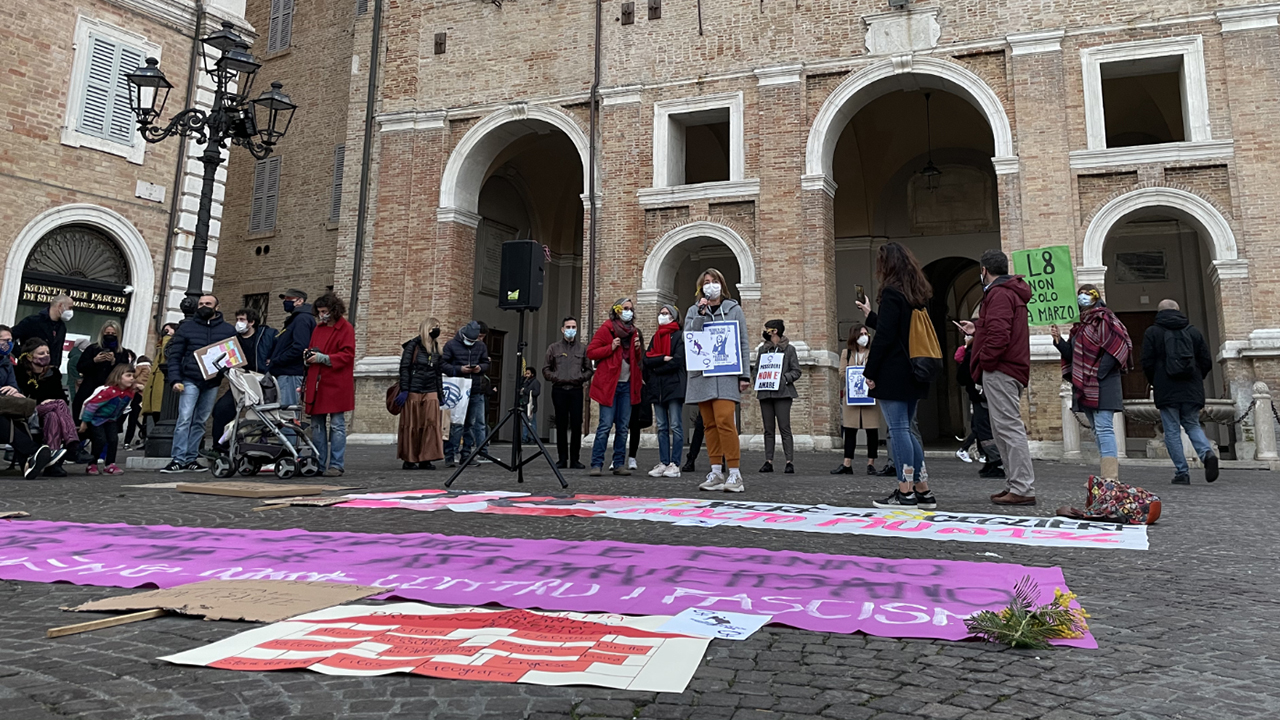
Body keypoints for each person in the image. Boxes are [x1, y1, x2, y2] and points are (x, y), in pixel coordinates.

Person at [956, 249, 1036, 506]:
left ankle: (1022, 487)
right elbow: (998, 328)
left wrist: (985, 362)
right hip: (1007, 367)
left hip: (1002, 369)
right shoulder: (1009, 293)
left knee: (1009, 428)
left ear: (984, 270)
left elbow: (1000, 335)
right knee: (1002, 429)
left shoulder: (999, 294)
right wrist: (977, 328)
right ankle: (1015, 484)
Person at [861, 242, 937, 509]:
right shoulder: (916, 293)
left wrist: (869, 371)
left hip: (894, 371)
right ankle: (923, 489)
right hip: (915, 370)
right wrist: (870, 316)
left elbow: (886, 336)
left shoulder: (892, 293)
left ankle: (904, 490)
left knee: (899, 430)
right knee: (908, 430)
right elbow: (896, 327)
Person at [1052, 284, 1133, 483]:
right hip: (1085, 384)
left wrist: (1097, 372)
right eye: (1080, 295)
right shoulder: (1079, 326)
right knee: (1097, 429)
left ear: (1096, 297)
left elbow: (1118, 347)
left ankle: (1110, 478)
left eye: (1086, 295)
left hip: (1103, 382)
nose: (1083, 299)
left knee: (1104, 428)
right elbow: (1073, 355)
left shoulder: (1106, 318)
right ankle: (1106, 474)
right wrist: (1058, 341)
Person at [684, 270, 751, 493]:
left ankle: (734, 473)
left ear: (722, 285)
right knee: (708, 424)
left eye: (714, 282)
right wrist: (701, 313)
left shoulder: (734, 310)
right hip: (702, 374)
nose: (710, 286)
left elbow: (743, 342)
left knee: (725, 421)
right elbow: (690, 337)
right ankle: (715, 471)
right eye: (706, 283)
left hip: (726, 373)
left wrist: (744, 375)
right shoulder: (694, 311)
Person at [1141, 299, 1218, 485]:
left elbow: (1147, 362)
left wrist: (1155, 381)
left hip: (1166, 389)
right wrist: (1196, 378)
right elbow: (1206, 361)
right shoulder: (1193, 332)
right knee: (1192, 424)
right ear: (1178, 310)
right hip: (1191, 388)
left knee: (1172, 430)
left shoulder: (1153, 332)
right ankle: (1206, 453)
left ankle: (1182, 472)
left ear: (1159, 313)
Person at [161, 295, 236, 474]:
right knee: (185, 418)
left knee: (200, 421)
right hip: (189, 378)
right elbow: (175, 355)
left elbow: (232, 357)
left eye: (207, 304)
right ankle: (178, 459)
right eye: (201, 304)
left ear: (217, 306)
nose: (203, 306)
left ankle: (191, 458)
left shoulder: (227, 330)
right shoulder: (187, 327)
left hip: (212, 382)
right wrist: (175, 379)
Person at [586, 299, 644, 476]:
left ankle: (619, 463)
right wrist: (610, 348)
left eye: (631, 309)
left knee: (623, 426)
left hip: (626, 385)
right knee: (604, 426)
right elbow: (591, 352)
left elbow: (638, 361)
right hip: (609, 386)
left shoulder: (634, 332)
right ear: (617, 311)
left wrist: (638, 350)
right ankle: (596, 464)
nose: (629, 312)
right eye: (625, 309)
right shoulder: (607, 329)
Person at [211, 308, 278, 453]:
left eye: (242, 320)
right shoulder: (233, 339)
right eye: (237, 320)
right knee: (221, 410)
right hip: (239, 382)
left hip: (260, 382)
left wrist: (271, 361)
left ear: (251, 322)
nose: (238, 323)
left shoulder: (266, 336)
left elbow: (278, 349)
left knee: (264, 416)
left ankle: (262, 445)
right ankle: (219, 447)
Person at [303, 294, 356, 477]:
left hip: (336, 383)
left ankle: (336, 464)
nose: (322, 315)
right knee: (317, 426)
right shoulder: (318, 329)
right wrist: (309, 356)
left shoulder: (346, 329)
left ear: (333, 310)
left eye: (324, 312)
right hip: (317, 381)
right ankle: (318, 462)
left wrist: (324, 358)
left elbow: (347, 355)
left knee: (337, 425)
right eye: (319, 312)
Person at [0, 327, 59, 480]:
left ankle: (29, 463)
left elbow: (13, 386)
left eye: (10, 340)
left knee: (18, 420)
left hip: (5, 405)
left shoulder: (6, 363)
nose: (9, 343)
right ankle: (34, 453)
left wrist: (14, 391)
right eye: (5, 340)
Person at [16, 338, 79, 476]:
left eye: (47, 352)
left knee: (53, 416)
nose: (46, 356)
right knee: (59, 404)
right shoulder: (20, 372)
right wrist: (45, 401)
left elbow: (60, 396)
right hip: (30, 410)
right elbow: (29, 394)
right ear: (29, 356)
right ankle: (73, 444)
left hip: (50, 411)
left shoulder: (53, 373)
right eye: (41, 353)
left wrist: (50, 401)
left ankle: (52, 463)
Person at [395, 318, 445, 470]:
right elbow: (404, 368)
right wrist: (405, 389)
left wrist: (440, 394)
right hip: (413, 390)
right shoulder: (413, 345)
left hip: (431, 389)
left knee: (430, 424)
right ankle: (409, 459)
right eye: (435, 327)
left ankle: (426, 458)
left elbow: (438, 373)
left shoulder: (436, 347)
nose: (438, 330)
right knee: (412, 424)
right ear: (428, 328)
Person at [643, 304, 686, 478]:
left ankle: (675, 463)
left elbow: (677, 360)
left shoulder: (679, 336)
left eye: (666, 313)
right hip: (657, 388)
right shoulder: (656, 337)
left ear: (674, 317)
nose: (662, 316)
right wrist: (662, 359)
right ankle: (663, 461)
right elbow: (647, 359)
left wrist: (657, 367)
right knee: (661, 427)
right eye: (661, 313)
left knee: (675, 425)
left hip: (674, 386)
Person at [543, 317, 592, 469]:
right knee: (561, 424)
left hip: (576, 390)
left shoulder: (582, 349)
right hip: (559, 390)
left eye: (574, 326)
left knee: (577, 424)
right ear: (563, 329)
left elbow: (589, 369)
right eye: (568, 326)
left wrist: (580, 378)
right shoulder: (554, 348)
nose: (571, 329)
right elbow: (546, 368)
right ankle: (562, 459)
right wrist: (556, 377)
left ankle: (575, 459)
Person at [833, 324, 880, 475]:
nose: (865, 337)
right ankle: (847, 464)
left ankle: (871, 463)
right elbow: (841, 373)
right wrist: (853, 377)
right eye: (861, 334)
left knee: (872, 431)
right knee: (850, 430)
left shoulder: (873, 353)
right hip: (852, 397)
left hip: (869, 397)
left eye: (866, 334)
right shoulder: (846, 354)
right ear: (854, 336)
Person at [441, 321, 491, 467]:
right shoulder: (451, 345)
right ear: (463, 335)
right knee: (456, 423)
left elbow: (486, 363)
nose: (472, 343)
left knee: (471, 424)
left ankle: (467, 455)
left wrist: (480, 368)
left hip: (475, 389)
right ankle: (451, 454)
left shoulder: (481, 346)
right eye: (469, 340)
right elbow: (443, 364)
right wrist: (459, 369)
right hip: (458, 388)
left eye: (474, 341)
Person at [756, 319, 801, 474]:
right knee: (768, 429)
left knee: (784, 427)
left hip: (783, 394)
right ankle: (768, 460)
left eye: (768, 329)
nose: (766, 332)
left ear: (775, 331)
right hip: (765, 392)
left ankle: (789, 461)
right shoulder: (763, 350)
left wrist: (784, 378)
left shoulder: (789, 350)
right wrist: (759, 378)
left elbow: (796, 371)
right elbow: (757, 369)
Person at [955, 334, 1003, 478]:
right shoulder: (986, 351)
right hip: (988, 395)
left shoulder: (973, 354)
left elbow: (962, 377)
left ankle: (996, 462)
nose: (965, 338)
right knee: (981, 428)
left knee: (984, 429)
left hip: (980, 396)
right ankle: (990, 461)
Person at [79, 364, 139, 475]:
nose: (132, 378)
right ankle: (92, 463)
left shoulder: (128, 392)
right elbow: (91, 406)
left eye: (133, 376)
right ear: (118, 377)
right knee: (100, 440)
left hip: (110, 419)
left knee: (113, 440)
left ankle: (110, 464)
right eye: (128, 375)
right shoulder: (108, 391)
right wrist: (85, 421)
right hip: (96, 419)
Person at [73, 320, 134, 419]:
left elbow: (125, 371)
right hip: (89, 388)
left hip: (111, 389)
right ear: (102, 333)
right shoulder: (92, 349)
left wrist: (114, 362)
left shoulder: (122, 353)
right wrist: (94, 360)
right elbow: (80, 367)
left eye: (113, 334)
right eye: (107, 333)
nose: (110, 335)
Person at [269, 289, 316, 416]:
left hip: (291, 374)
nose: (285, 302)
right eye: (285, 299)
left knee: (287, 415)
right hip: (288, 373)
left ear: (300, 301)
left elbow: (300, 347)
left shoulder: (301, 319)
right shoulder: (296, 319)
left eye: (289, 299)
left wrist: (277, 360)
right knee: (287, 414)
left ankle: (288, 436)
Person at [139, 323, 177, 442]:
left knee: (160, 414)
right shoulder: (158, 348)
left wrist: (168, 338)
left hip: (164, 388)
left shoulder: (169, 344)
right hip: (155, 388)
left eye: (168, 331)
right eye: (164, 331)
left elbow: (167, 354)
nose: (165, 333)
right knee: (154, 416)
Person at [13, 294, 73, 369]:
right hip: (29, 369)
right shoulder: (32, 321)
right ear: (60, 306)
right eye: (69, 308)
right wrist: (21, 355)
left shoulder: (62, 327)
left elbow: (58, 349)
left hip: (50, 372)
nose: (71, 311)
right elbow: (11, 336)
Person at [123, 355, 152, 449]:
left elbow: (134, 375)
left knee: (133, 417)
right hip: (147, 394)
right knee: (145, 418)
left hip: (138, 394)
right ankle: (144, 438)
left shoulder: (140, 367)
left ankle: (127, 441)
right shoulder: (151, 368)